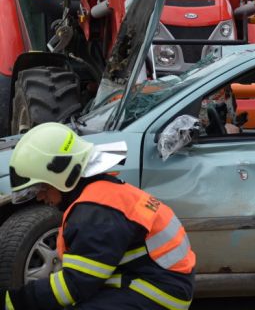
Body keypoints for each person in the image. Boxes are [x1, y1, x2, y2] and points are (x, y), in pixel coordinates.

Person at [1, 122, 195, 310]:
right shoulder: (98, 196)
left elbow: (74, 285)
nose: (40, 196)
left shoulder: (94, 213)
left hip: (160, 294)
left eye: (42, 187)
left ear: (61, 177)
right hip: (151, 279)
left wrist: (14, 301)